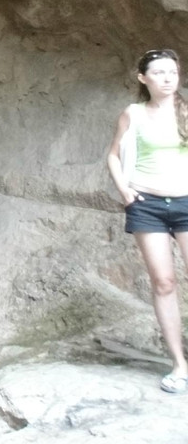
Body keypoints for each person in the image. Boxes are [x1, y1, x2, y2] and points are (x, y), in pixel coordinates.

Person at [107, 48, 188, 394]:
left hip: (186, 201)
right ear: (143, 78)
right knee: (164, 283)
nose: (168, 78)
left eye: (173, 72)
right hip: (148, 205)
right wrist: (125, 191)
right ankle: (179, 364)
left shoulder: (186, 110)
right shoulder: (133, 114)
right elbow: (112, 155)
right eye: (159, 73)